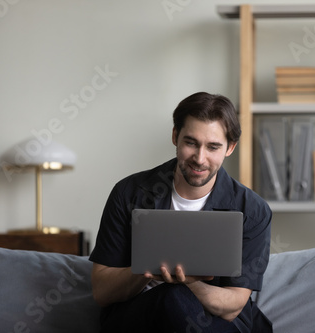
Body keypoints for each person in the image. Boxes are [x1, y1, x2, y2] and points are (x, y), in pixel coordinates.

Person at [89, 92, 273, 332]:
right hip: (141, 317)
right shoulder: (129, 192)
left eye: (213, 147)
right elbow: (102, 292)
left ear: (230, 148)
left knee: (176, 295)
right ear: (175, 136)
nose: (200, 158)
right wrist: (149, 270)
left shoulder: (253, 210)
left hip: (214, 323)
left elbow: (234, 304)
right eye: (191, 143)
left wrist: (189, 283)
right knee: (169, 296)